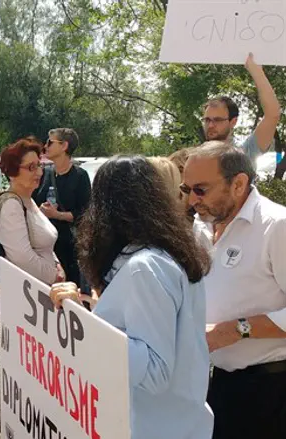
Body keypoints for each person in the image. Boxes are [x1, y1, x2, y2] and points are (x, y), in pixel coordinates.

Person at [51, 155, 213, 439]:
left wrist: (84, 323)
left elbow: (154, 372)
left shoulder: (145, 267)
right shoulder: (168, 253)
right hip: (177, 421)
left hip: (150, 426)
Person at [183, 142, 286, 439]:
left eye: (201, 189)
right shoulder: (203, 225)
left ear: (238, 184)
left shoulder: (276, 226)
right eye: (186, 189)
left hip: (270, 389)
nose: (192, 200)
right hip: (220, 383)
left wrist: (237, 329)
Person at [0, 140, 62, 286]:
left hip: (40, 288)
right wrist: (54, 276)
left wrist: (57, 265)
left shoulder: (28, 201)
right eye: (31, 167)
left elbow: (45, 244)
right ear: (12, 173)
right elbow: (22, 258)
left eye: (39, 165)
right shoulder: (11, 205)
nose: (39, 172)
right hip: (25, 291)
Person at [32, 128, 91, 287]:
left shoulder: (80, 176)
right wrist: (40, 210)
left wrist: (57, 215)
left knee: (68, 289)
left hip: (69, 248)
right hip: (44, 247)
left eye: (50, 142)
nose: (45, 146)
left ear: (64, 146)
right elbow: (31, 203)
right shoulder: (44, 173)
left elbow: (85, 213)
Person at [201, 53, 280, 163]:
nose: (210, 125)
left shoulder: (245, 153)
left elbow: (272, 114)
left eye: (217, 120)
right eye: (207, 120)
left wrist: (256, 71)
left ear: (233, 122)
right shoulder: (191, 159)